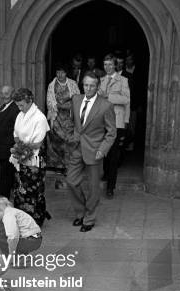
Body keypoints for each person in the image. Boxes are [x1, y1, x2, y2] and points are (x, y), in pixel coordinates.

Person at [67, 72, 116, 232]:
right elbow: (72, 122)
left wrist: (103, 150)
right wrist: (70, 137)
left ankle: (89, 219)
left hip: (95, 151)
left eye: (92, 85)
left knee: (94, 187)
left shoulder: (106, 105)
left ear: (97, 86)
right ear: (83, 85)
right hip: (76, 148)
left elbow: (111, 132)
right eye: (86, 85)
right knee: (71, 181)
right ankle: (80, 212)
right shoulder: (76, 99)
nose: (88, 88)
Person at [9, 88, 51, 226]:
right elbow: (15, 134)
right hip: (22, 156)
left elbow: (38, 142)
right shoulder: (20, 115)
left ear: (30, 101)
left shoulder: (40, 117)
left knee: (33, 188)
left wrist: (21, 146)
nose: (19, 108)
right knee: (20, 187)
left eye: (22, 105)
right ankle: (22, 218)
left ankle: (36, 218)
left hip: (35, 158)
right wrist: (19, 147)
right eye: (17, 105)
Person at [99, 54, 130, 199]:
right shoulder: (101, 80)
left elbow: (126, 99)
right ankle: (105, 175)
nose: (107, 67)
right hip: (104, 121)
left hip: (117, 122)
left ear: (115, 65)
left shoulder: (123, 80)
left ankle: (111, 187)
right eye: (105, 64)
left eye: (110, 64)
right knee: (104, 151)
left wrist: (126, 121)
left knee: (114, 155)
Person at [46, 65, 80, 175]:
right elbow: (49, 102)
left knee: (69, 140)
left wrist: (68, 106)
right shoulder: (52, 85)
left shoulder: (73, 84)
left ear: (66, 73)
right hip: (56, 116)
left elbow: (78, 99)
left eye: (62, 72)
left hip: (69, 117)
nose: (60, 75)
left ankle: (69, 166)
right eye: (58, 72)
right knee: (57, 140)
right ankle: (57, 165)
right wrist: (56, 107)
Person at [0, 85, 20, 198]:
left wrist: (12, 147)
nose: (4, 96)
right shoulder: (4, 106)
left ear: (12, 94)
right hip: (1, 149)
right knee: (5, 175)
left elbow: (16, 130)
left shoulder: (15, 108)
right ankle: (5, 197)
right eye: (2, 93)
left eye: (7, 93)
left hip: (8, 149)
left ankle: (3, 199)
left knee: (6, 176)